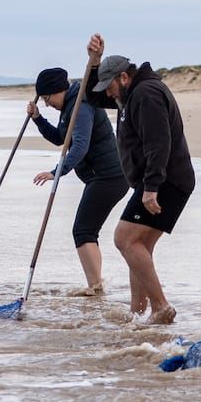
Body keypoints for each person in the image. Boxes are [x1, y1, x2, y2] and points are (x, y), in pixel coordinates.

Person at [88, 33, 194, 324]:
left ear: (123, 77)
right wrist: (94, 61)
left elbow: (159, 144)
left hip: (165, 181)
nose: (107, 94)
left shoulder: (146, 94)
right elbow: (91, 97)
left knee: (124, 239)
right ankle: (137, 312)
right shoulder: (128, 94)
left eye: (109, 86)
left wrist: (151, 188)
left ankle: (161, 307)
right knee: (138, 245)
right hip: (160, 180)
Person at [27, 65, 130, 297]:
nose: (46, 103)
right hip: (102, 177)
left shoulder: (81, 105)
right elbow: (61, 139)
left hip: (110, 176)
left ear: (57, 90)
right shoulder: (70, 106)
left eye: (46, 98)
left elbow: (80, 147)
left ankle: (95, 287)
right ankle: (96, 285)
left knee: (83, 231)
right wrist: (37, 119)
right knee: (86, 230)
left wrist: (56, 172)